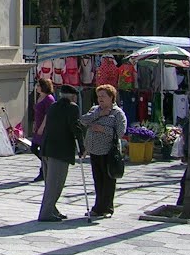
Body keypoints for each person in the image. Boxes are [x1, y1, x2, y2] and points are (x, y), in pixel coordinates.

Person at [37, 84, 85, 222]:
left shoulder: (53, 106)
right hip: (60, 150)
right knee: (56, 183)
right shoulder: (72, 108)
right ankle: (46, 212)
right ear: (73, 96)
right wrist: (81, 147)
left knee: (50, 182)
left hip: (47, 148)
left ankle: (52, 208)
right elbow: (75, 128)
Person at [80, 83, 128, 219]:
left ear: (111, 97)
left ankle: (107, 208)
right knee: (98, 180)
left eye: (103, 96)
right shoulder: (95, 110)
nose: (100, 99)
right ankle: (97, 207)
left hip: (109, 152)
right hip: (94, 150)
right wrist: (99, 113)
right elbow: (83, 120)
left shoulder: (117, 113)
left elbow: (120, 132)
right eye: (98, 96)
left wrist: (102, 129)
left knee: (108, 181)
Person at [31, 77, 56, 183]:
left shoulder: (49, 99)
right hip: (38, 125)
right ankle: (45, 166)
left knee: (42, 149)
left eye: (38, 86)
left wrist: (42, 127)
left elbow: (48, 114)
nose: (37, 87)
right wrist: (35, 124)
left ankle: (44, 170)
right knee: (34, 148)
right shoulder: (40, 97)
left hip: (45, 128)